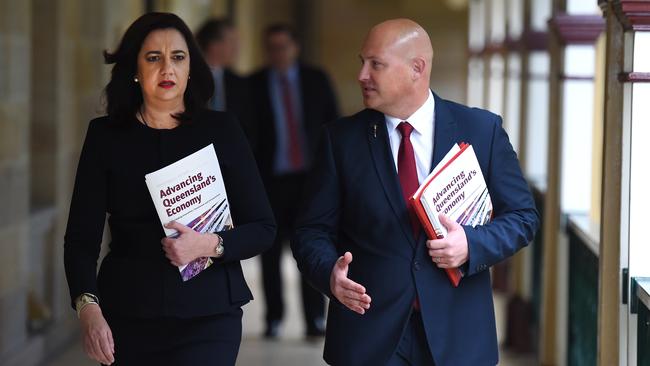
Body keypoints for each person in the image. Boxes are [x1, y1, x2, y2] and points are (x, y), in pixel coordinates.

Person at [291, 19, 539, 366]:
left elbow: (523, 217)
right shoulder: (340, 140)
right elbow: (310, 230)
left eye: (375, 64)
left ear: (416, 69)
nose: (362, 74)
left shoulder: (483, 130)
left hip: (458, 337)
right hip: (368, 335)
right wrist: (328, 273)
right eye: (362, 62)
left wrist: (471, 244)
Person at [63, 12, 275, 365]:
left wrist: (208, 244)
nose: (167, 69)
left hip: (209, 316)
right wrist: (88, 310)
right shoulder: (105, 137)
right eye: (153, 58)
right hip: (127, 315)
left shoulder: (221, 130)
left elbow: (263, 229)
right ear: (134, 68)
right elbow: (81, 240)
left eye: (178, 57)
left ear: (191, 67)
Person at [248, 23, 339, 339]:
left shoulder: (316, 80)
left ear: (295, 47)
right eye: (272, 47)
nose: (278, 53)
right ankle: (273, 318)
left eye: (283, 46)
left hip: (310, 181)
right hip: (271, 180)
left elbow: (334, 125)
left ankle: (314, 318)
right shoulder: (254, 84)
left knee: (311, 247)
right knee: (270, 252)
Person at [195, 18, 252, 135]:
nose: (236, 48)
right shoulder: (188, 79)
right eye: (231, 41)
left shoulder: (241, 84)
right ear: (213, 44)